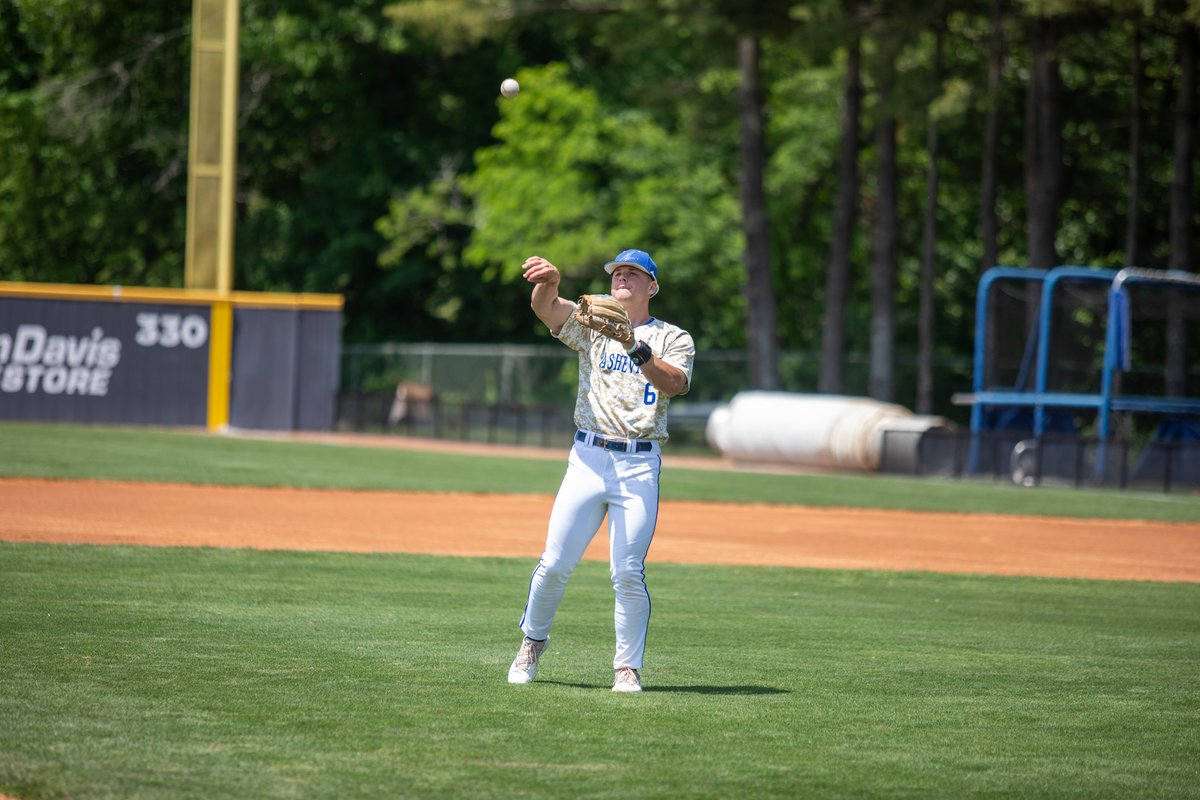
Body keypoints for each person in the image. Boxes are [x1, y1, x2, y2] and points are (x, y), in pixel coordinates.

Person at [508, 248, 695, 693]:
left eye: (634, 273)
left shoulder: (673, 337)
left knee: (627, 572)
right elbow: (546, 309)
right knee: (554, 563)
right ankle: (532, 642)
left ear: (652, 287)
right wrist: (549, 280)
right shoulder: (593, 322)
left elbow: (673, 383)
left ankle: (626, 668)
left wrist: (633, 344)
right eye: (617, 273)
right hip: (588, 460)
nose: (622, 278)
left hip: (639, 463)